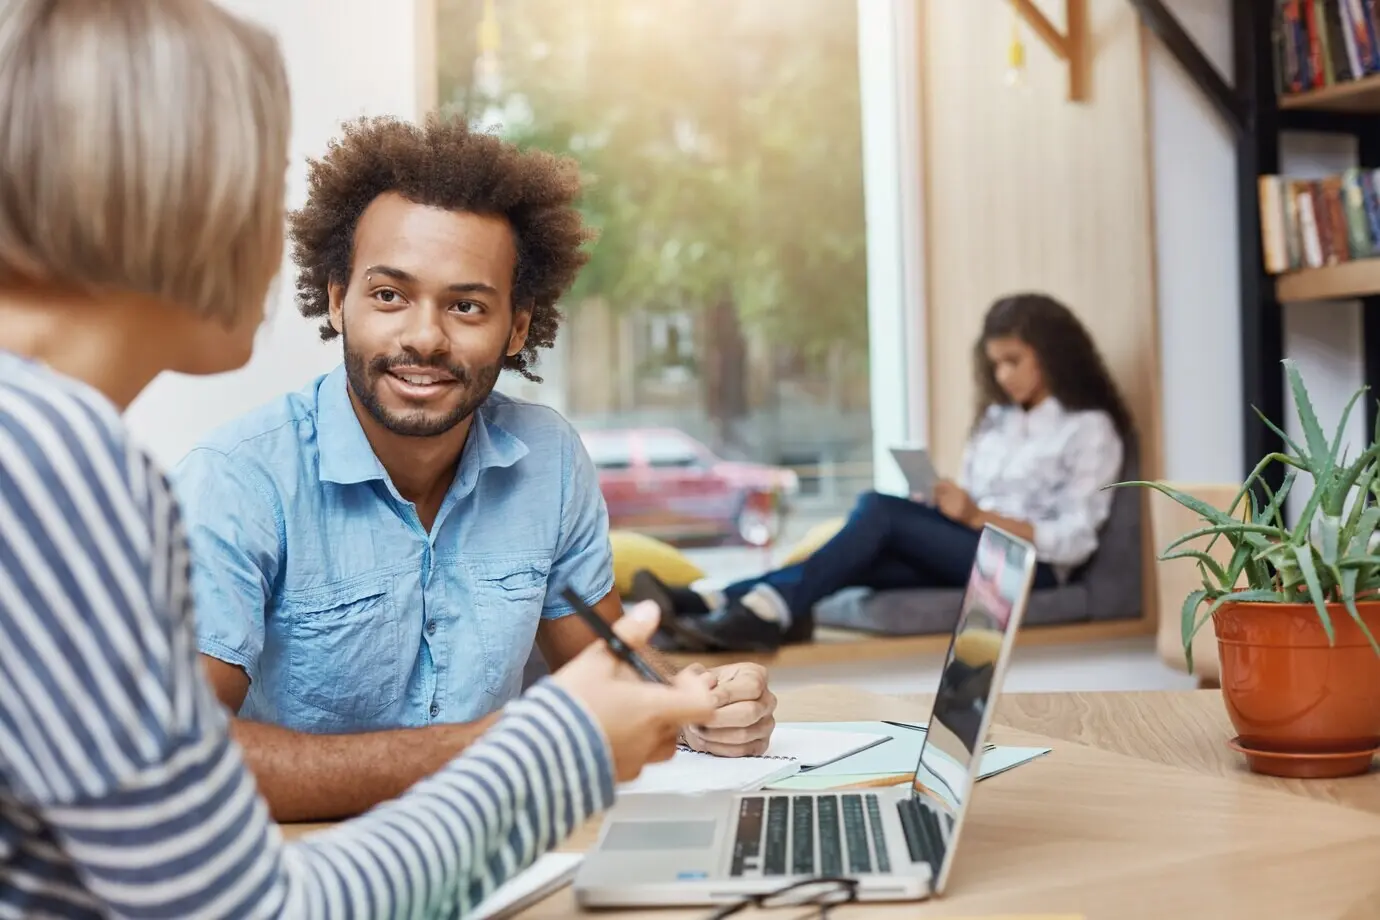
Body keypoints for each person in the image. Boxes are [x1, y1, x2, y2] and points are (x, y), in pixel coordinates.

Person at [0, 2, 717, 916]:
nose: (277, 235)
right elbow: (249, 910)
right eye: (265, 187)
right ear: (183, 193)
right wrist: (553, 747)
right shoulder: (53, 463)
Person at [172, 114, 778, 822]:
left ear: (518, 326)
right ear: (338, 298)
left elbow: (611, 674)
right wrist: (507, 749)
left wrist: (690, 707)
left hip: (501, 861)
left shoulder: (548, 460)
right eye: (389, 295)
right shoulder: (238, 481)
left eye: (466, 305)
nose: (424, 337)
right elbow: (184, 759)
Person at [637, 293, 1132, 651]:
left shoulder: (1089, 429)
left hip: (1032, 571)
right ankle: (714, 601)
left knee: (876, 510)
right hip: (971, 547)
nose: (1002, 376)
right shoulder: (997, 423)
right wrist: (946, 506)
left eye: (1013, 361)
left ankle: (751, 609)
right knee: (862, 555)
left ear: (1052, 355)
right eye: (995, 365)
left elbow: (1075, 541)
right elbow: (970, 505)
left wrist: (979, 514)